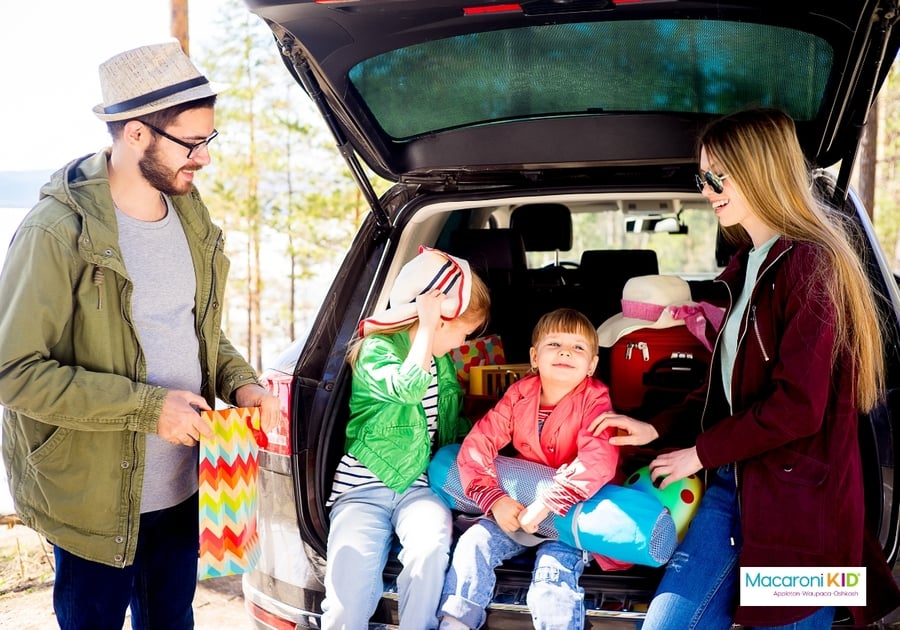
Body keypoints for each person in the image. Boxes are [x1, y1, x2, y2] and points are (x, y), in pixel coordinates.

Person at [0, 41, 280, 630]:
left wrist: (242, 383)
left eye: (210, 140)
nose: (204, 158)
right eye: (191, 142)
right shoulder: (56, 232)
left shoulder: (188, 210)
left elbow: (196, 326)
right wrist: (150, 410)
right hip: (93, 502)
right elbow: (13, 372)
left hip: (183, 489)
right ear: (135, 134)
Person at [593, 108, 900, 629]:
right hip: (731, 489)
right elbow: (728, 389)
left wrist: (698, 453)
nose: (708, 189)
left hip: (803, 516)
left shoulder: (813, 263)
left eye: (719, 176)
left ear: (761, 170)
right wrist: (659, 428)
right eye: (703, 177)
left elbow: (798, 409)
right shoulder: (744, 266)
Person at [321, 246, 491, 630]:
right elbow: (408, 389)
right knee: (346, 604)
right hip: (361, 491)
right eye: (463, 331)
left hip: (419, 487)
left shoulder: (443, 361)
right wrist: (426, 327)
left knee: (430, 550)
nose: (464, 343)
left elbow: (448, 426)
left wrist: (495, 437)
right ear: (440, 318)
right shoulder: (376, 351)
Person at [439, 307, 619, 630]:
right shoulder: (519, 394)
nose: (566, 351)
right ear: (534, 357)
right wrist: (493, 498)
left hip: (568, 516)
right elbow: (479, 442)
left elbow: (598, 459)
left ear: (592, 365)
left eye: (578, 347)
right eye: (554, 345)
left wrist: (549, 502)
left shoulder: (596, 400)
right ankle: (456, 623)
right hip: (518, 507)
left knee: (552, 573)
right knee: (472, 545)